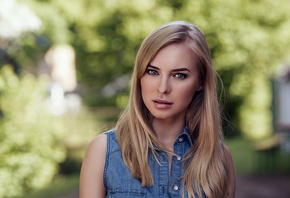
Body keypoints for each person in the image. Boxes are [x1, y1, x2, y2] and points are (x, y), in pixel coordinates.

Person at [79, 21, 236, 198]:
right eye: (153, 72)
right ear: (139, 75)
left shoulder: (219, 157)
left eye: (179, 75)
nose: (163, 88)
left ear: (200, 82)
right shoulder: (103, 150)